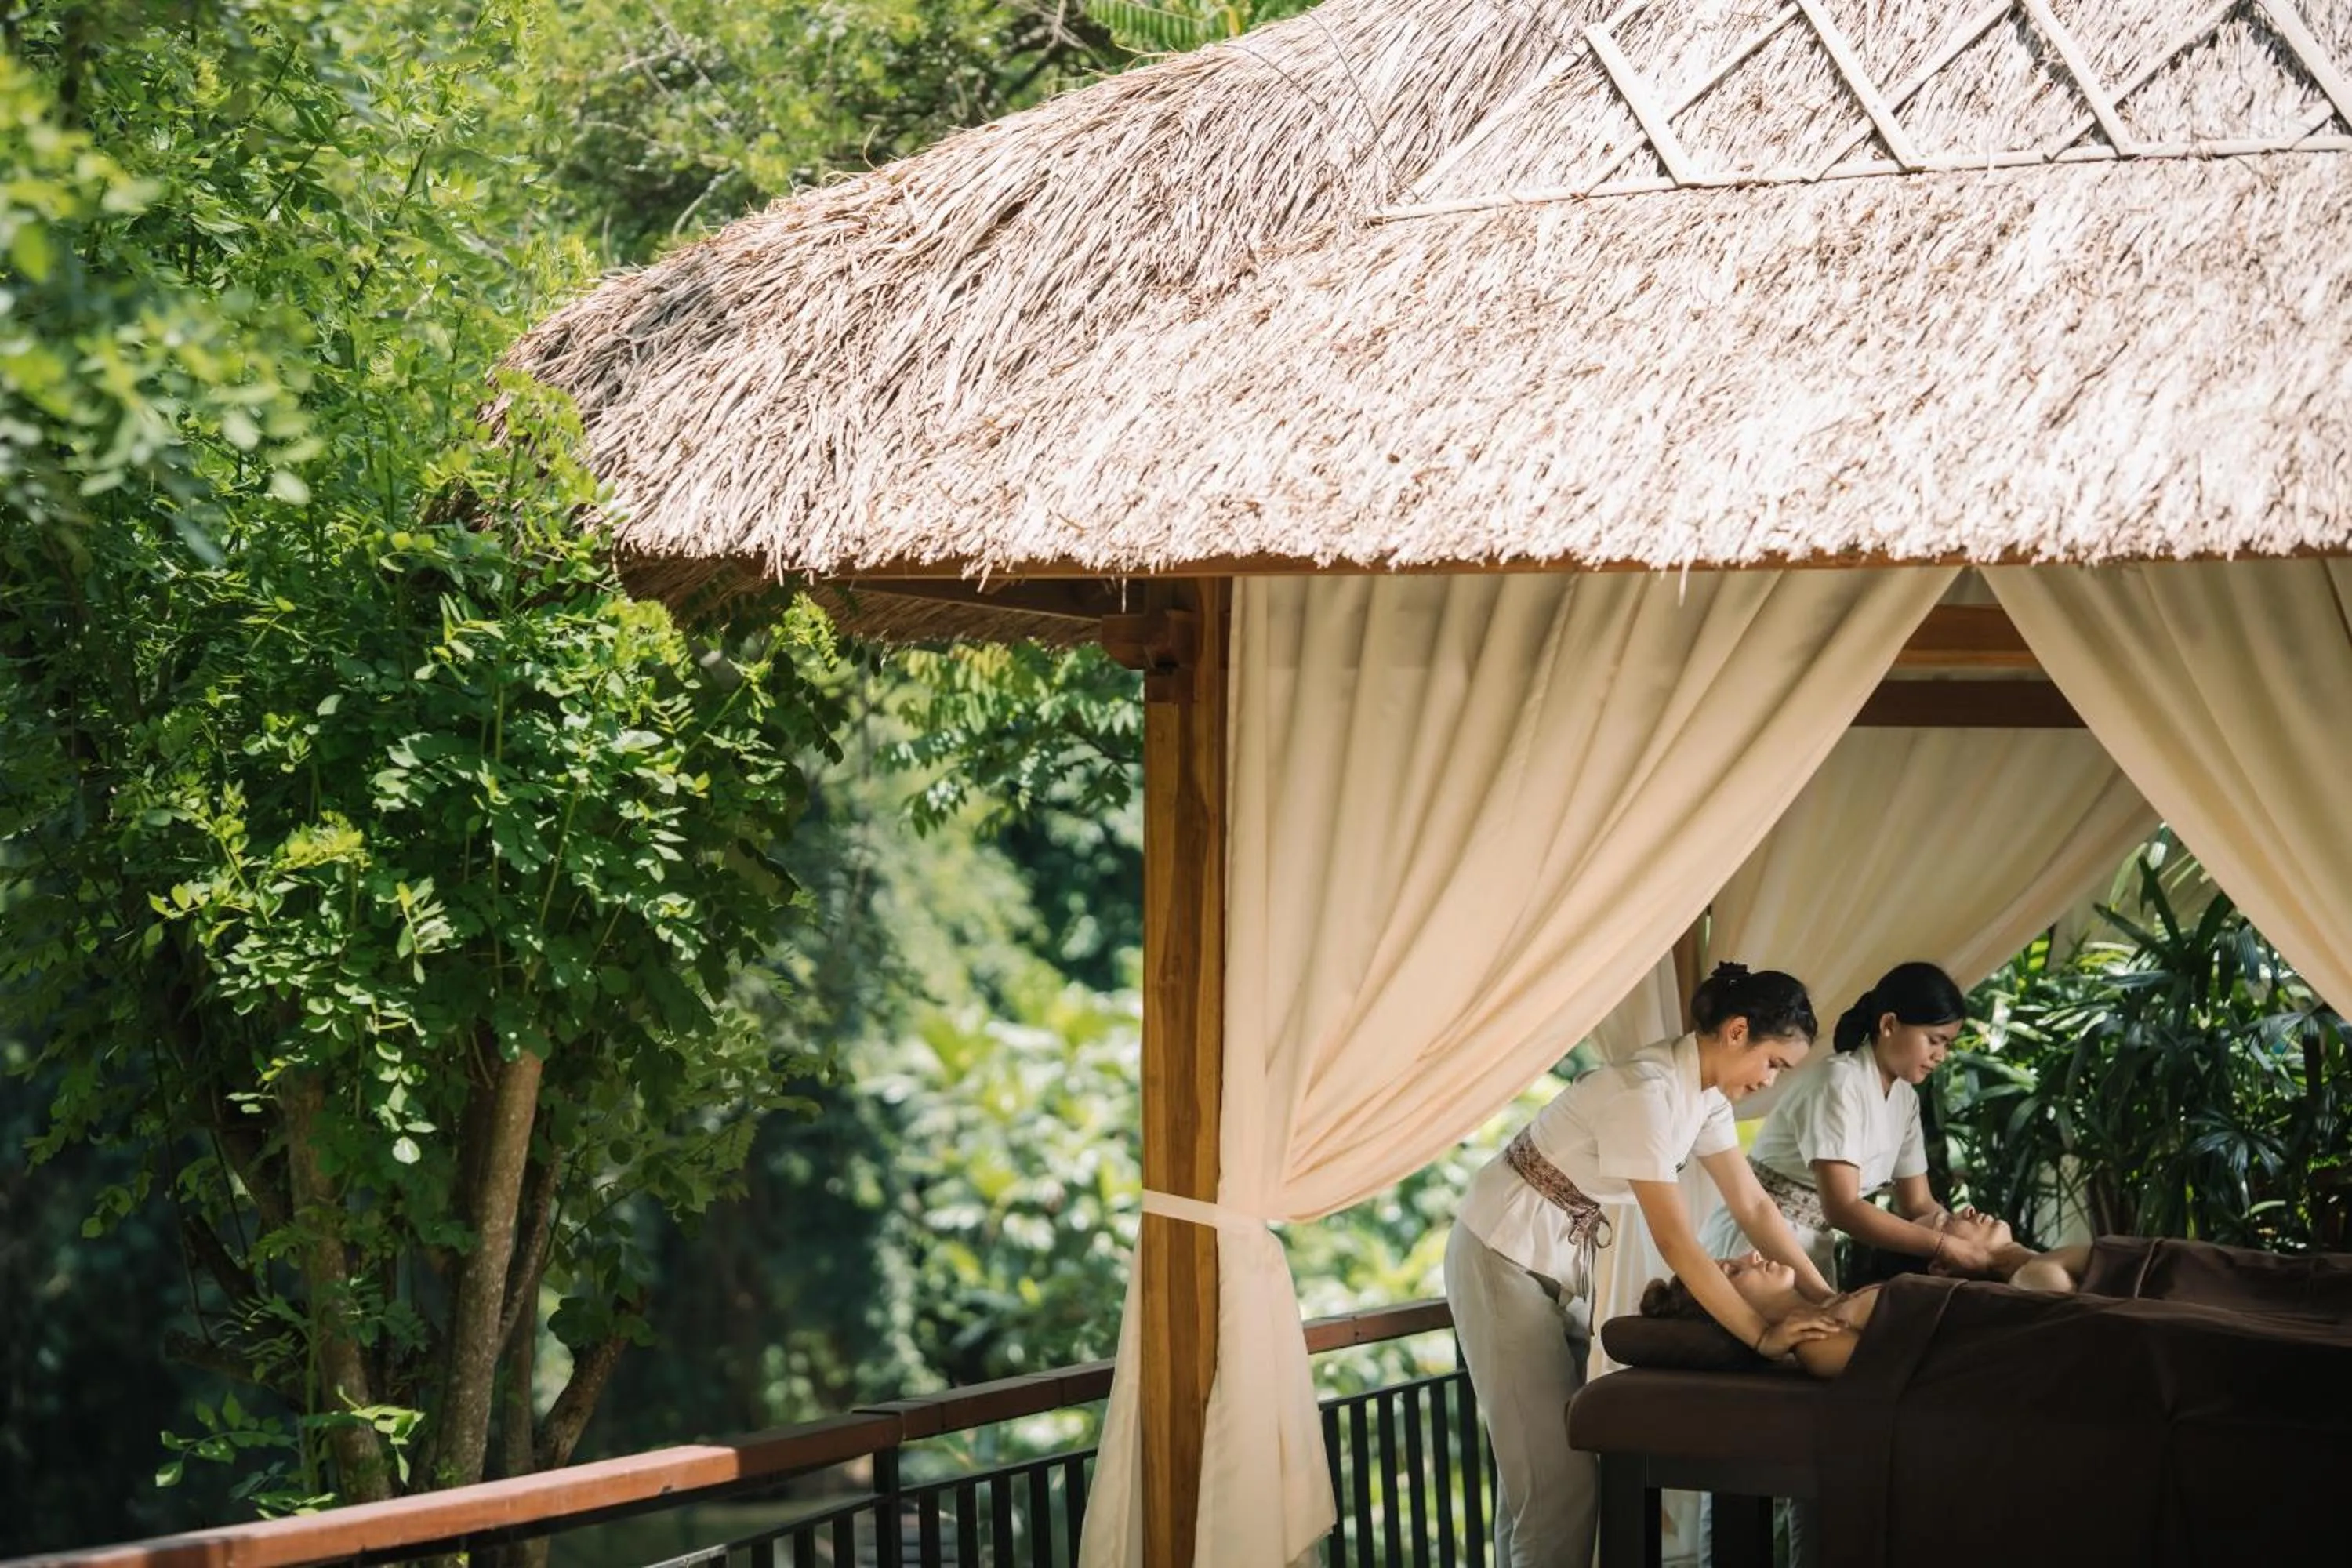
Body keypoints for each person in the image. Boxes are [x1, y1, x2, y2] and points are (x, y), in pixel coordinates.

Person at [1445, 962, 1843, 1568]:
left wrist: (1824, 1298)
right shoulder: (1647, 1092)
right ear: (1737, 1032)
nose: (1770, 1081)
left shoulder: (1702, 1099)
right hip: (1500, 1255)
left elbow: (1755, 1206)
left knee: (1542, 1480)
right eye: (1773, 1062)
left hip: (1551, 1270)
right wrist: (1762, 1334)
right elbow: (1678, 1244)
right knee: (1558, 1481)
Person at [1700, 961, 2005, 1282]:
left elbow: (1918, 1204)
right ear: (1889, 1024)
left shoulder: (1905, 1099)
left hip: (1812, 1244)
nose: (1941, 1055)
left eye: (1948, 1044)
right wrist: (1946, 1246)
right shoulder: (1839, 1082)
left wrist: (1976, 1245)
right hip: (1757, 1241)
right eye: (1934, 1039)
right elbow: (1842, 1207)